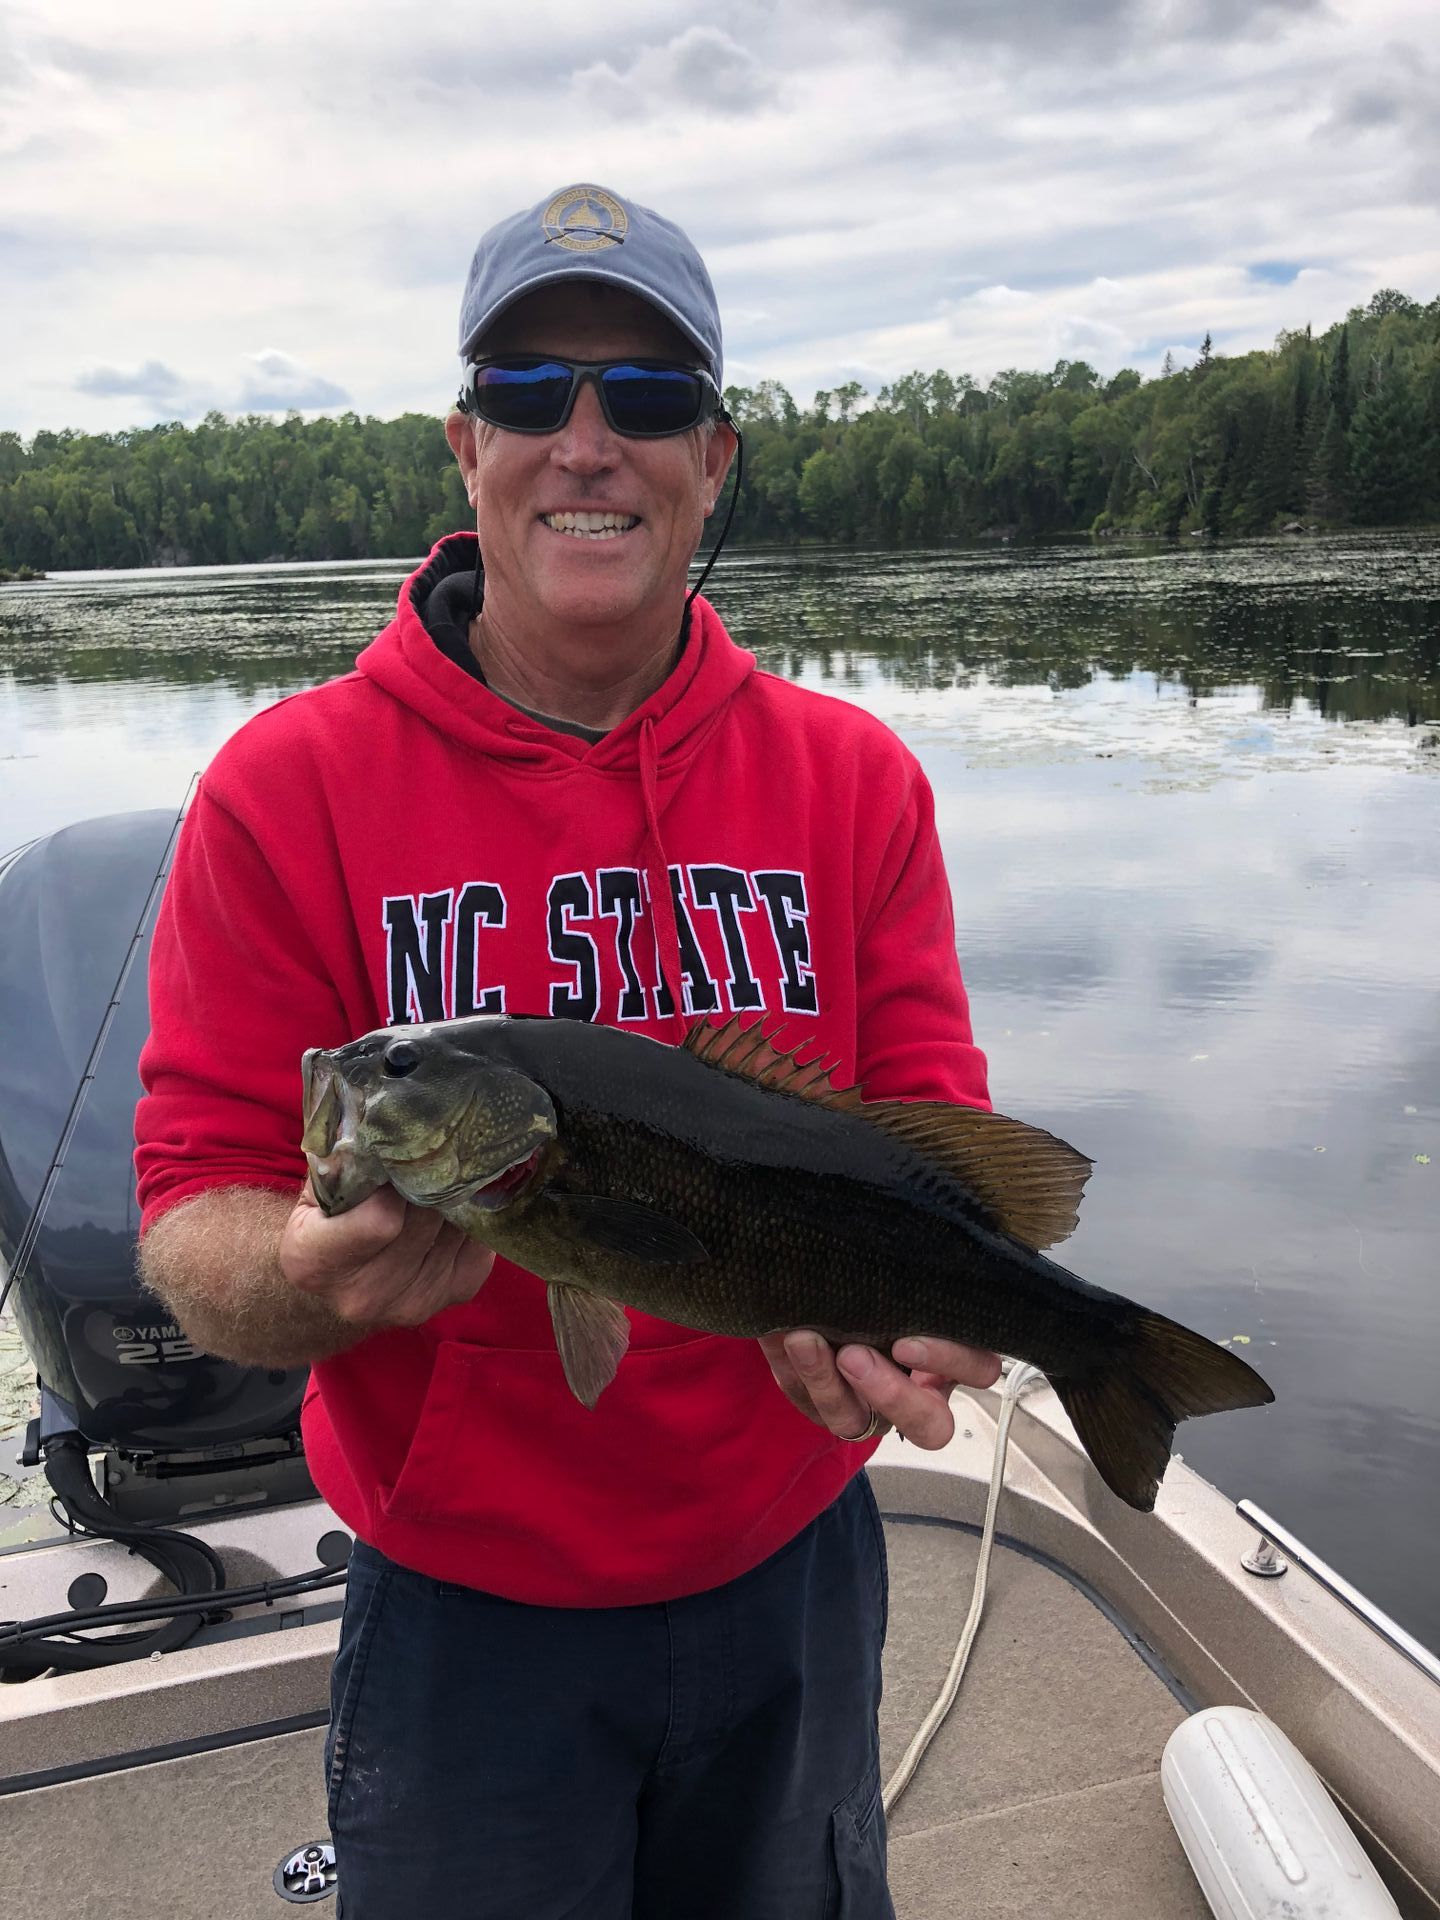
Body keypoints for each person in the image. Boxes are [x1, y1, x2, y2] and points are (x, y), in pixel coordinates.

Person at [135, 182, 1000, 1920]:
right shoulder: (285, 791)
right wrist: (307, 1274)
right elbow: (187, 1227)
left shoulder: (855, 782)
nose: (585, 443)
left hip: (796, 1566)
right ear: (467, 448)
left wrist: (938, 1325)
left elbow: (933, 1157)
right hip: (466, 1609)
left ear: (716, 459)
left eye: (646, 399)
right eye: (532, 395)